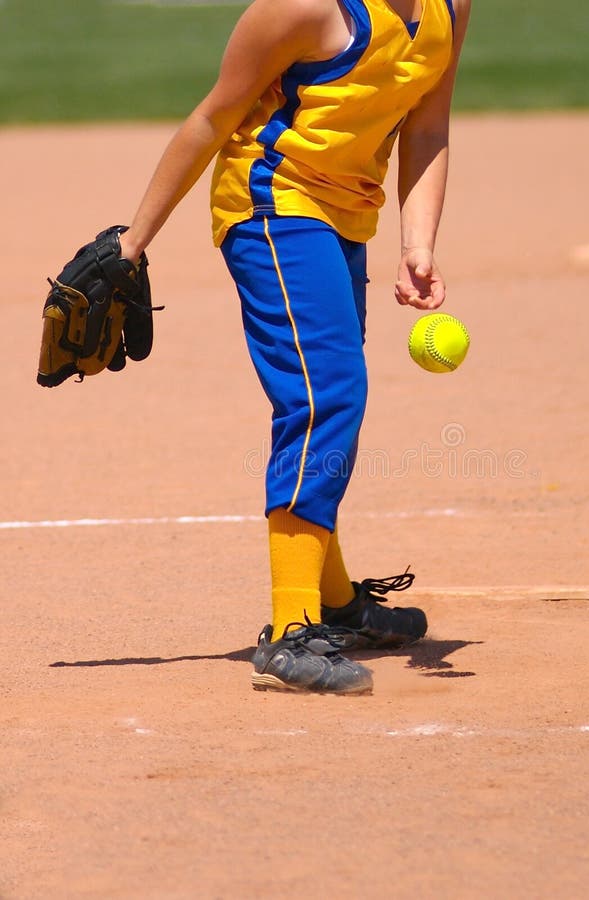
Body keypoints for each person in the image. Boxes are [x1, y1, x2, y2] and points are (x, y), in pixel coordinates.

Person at [119, 0, 471, 694]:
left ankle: (334, 601)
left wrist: (418, 244)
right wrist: (131, 246)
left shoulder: (449, 5)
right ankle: (291, 631)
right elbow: (211, 118)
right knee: (325, 397)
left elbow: (428, 124)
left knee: (330, 394)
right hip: (271, 204)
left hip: (346, 215)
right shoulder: (302, 10)